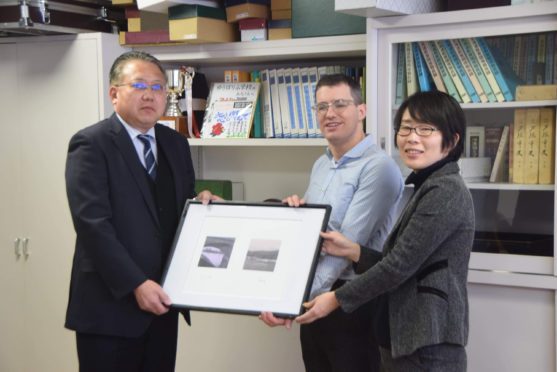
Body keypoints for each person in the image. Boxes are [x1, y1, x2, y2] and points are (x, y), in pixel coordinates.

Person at [64, 51, 221, 372]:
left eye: (158, 87)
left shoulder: (175, 143)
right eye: (138, 85)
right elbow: (92, 224)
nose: (150, 95)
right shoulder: (91, 143)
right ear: (114, 94)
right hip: (110, 308)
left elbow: (174, 207)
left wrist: (200, 204)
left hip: (163, 304)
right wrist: (137, 283)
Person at [296, 91, 475, 372]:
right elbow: (407, 262)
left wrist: (335, 299)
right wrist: (354, 251)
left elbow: (399, 266)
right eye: (405, 128)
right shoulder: (425, 185)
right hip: (405, 340)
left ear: (451, 141)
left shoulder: (445, 190)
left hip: (427, 344)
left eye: (425, 129)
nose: (412, 138)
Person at [260, 74, 404, 372]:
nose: (330, 113)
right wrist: (295, 215)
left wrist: (291, 301)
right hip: (316, 298)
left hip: (352, 305)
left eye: (340, 104)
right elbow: (316, 238)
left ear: (361, 110)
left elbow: (341, 249)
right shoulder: (322, 164)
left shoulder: (378, 168)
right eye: (322, 106)